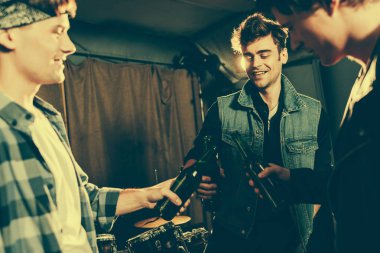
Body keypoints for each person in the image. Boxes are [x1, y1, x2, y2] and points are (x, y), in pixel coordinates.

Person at [0, 1, 188, 252]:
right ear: (7, 34)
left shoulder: (47, 119)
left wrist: (147, 195)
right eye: (57, 31)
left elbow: (81, 202)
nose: (69, 47)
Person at [184, 13, 333, 253]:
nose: (255, 65)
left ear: (282, 54)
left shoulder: (315, 113)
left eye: (264, 55)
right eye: (248, 56)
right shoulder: (221, 109)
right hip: (234, 238)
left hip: (294, 240)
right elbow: (198, 153)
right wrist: (201, 177)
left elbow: (325, 179)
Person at [252, 1, 380, 253]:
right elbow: (360, 185)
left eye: (292, 27)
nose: (296, 42)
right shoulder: (366, 74)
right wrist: (293, 180)